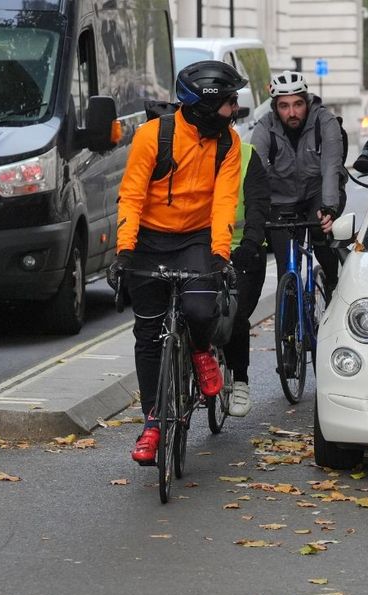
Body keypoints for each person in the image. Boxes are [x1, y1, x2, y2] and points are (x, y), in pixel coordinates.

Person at [114, 60, 245, 465]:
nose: (234, 107)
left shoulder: (229, 142)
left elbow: (225, 200)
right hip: (150, 240)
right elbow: (132, 195)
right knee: (149, 333)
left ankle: (202, 350)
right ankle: (153, 422)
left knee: (201, 309)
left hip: (195, 239)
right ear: (205, 105)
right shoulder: (153, 137)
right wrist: (124, 251)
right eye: (228, 101)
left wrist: (220, 253)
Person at [250, 70, 345, 300]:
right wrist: (256, 214)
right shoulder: (264, 128)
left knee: (319, 232)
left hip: (318, 192)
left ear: (307, 102)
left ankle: (333, 280)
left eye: (298, 104)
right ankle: (290, 322)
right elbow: (255, 174)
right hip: (281, 199)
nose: (292, 113)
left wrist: (329, 208)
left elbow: (331, 168)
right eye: (284, 106)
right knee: (287, 265)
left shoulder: (325, 122)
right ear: (275, 107)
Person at [223, 141, 272, 417]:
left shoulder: (246, 153)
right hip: (202, 249)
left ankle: (239, 379)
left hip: (243, 250)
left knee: (235, 314)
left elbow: (258, 205)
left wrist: (251, 244)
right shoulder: (190, 150)